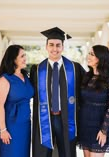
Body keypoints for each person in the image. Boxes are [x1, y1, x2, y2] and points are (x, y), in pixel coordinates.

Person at [30, 27, 85, 157]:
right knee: (42, 153)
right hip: (44, 118)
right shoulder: (37, 70)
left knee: (67, 152)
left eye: (58, 45)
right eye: (51, 45)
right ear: (46, 47)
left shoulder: (74, 68)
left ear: (63, 47)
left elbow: (87, 89)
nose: (54, 49)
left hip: (66, 118)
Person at [78, 45, 109, 157]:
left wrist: (104, 130)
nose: (88, 56)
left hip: (100, 125)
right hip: (85, 123)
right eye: (89, 53)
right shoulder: (87, 76)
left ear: (101, 58)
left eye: (92, 54)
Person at [0, 45, 34, 157]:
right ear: (13, 59)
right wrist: (3, 130)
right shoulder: (5, 79)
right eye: (22, 56)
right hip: (11, 126)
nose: (25, 58)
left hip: (26, 124)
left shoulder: (25, 76)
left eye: (25, 55)